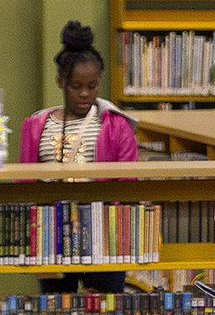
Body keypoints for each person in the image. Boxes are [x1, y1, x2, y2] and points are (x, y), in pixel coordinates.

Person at [19, 20, 138, 294]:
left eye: (92, 86)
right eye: (76, 86)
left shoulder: (116, 125)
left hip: (103, 233)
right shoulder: (36, 125)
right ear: (61, 82)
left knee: (108, 307)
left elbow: (129, 181)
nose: (85, 94)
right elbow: (25, 182)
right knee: (56, 307)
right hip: (53, 233)